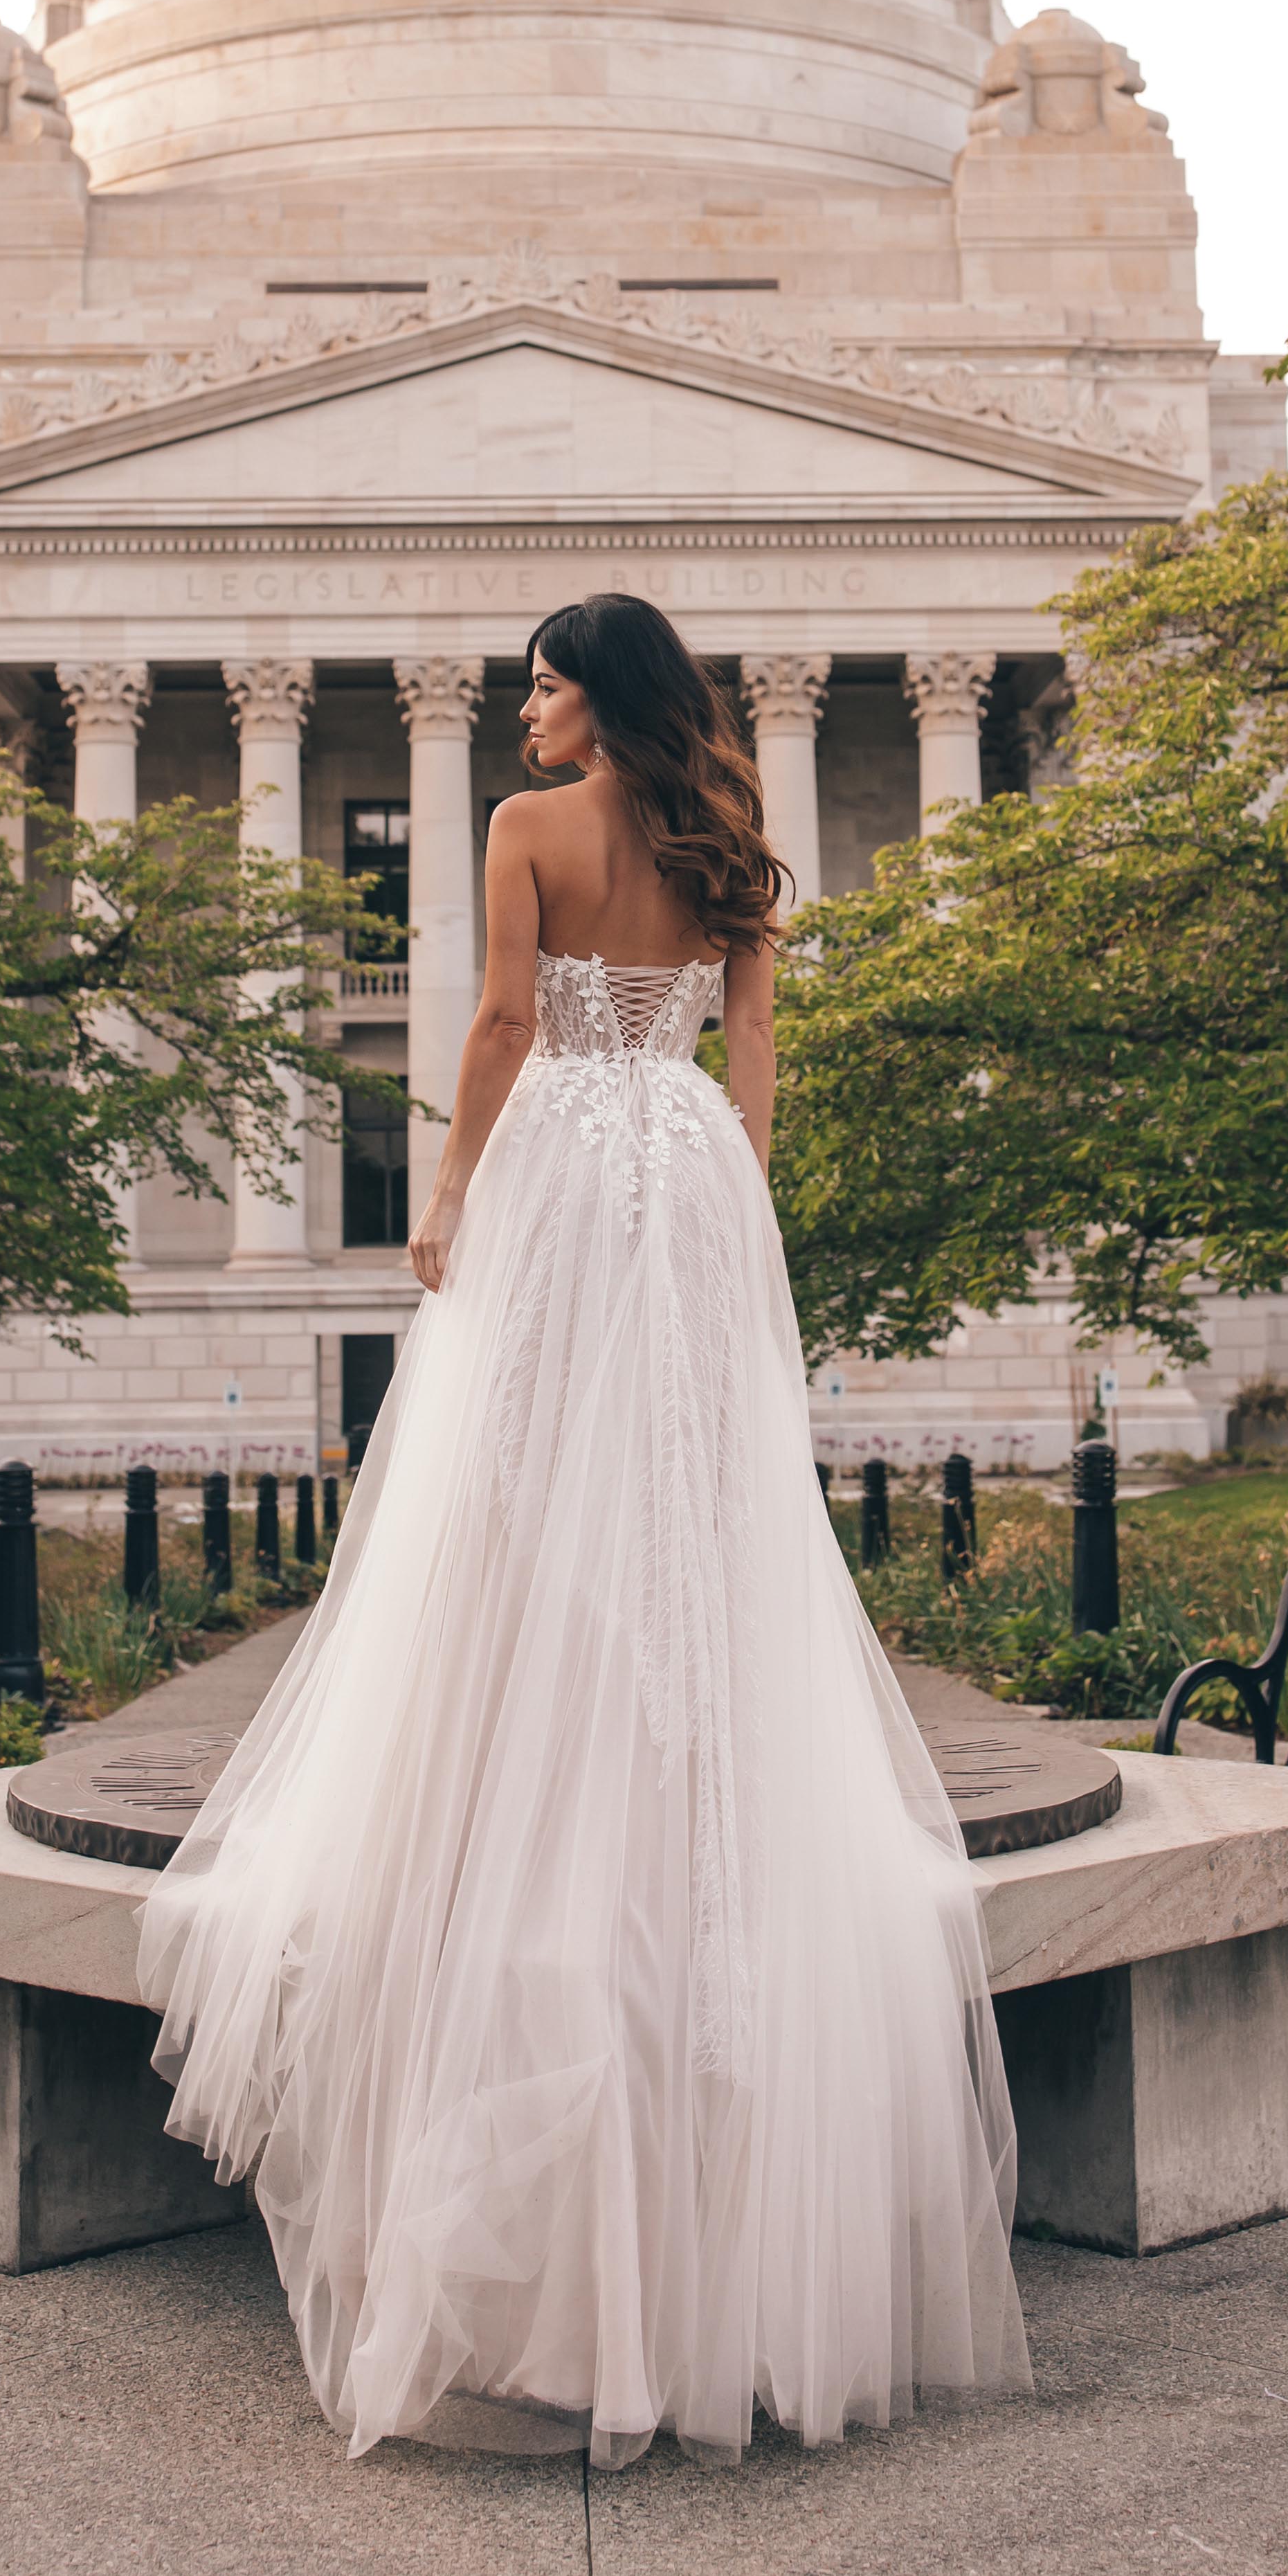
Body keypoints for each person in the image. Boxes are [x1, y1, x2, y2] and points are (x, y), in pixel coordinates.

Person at [136, 592, 1029, 2465]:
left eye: (545, 677)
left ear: (592, 694)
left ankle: (524, 1794)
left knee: (525, 1495)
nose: (526, 705)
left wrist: (451, 1187)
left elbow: (494, 1020)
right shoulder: (732, 842)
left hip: (562, 1162)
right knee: (693, 1519)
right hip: (692, 1168)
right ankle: (669, 1800)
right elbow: (757, 1044)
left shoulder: (522, 828)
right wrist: (735, 1192)